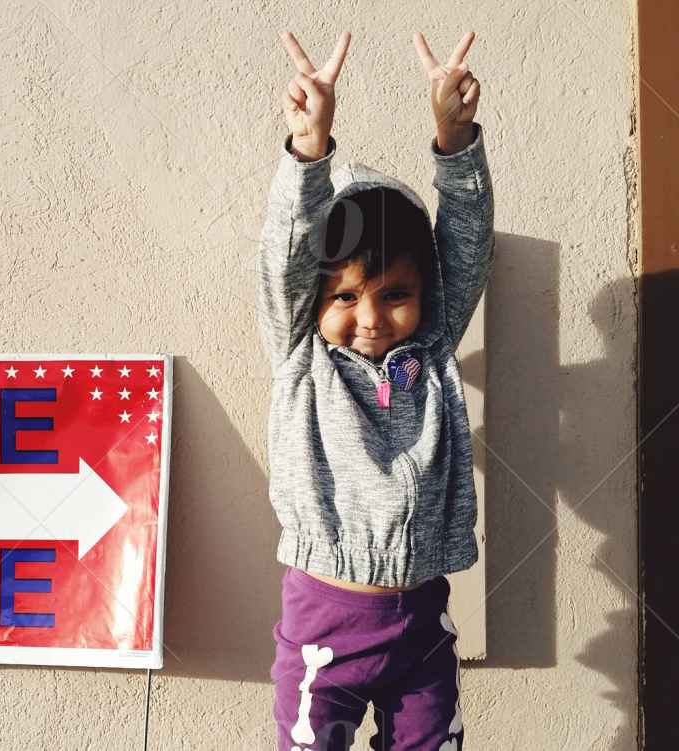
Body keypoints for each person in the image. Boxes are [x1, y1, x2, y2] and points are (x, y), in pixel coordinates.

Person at [256, 28, 494, 751]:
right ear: (315, 300)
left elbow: (466, 239)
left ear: (426, 294)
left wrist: (454, 140)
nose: (370, 319)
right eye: (347, 296)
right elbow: (285, 259)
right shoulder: (303, 353)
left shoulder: (430, 346)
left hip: (422, 619)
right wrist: (309, 150)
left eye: (394, 294)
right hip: (323, 627)